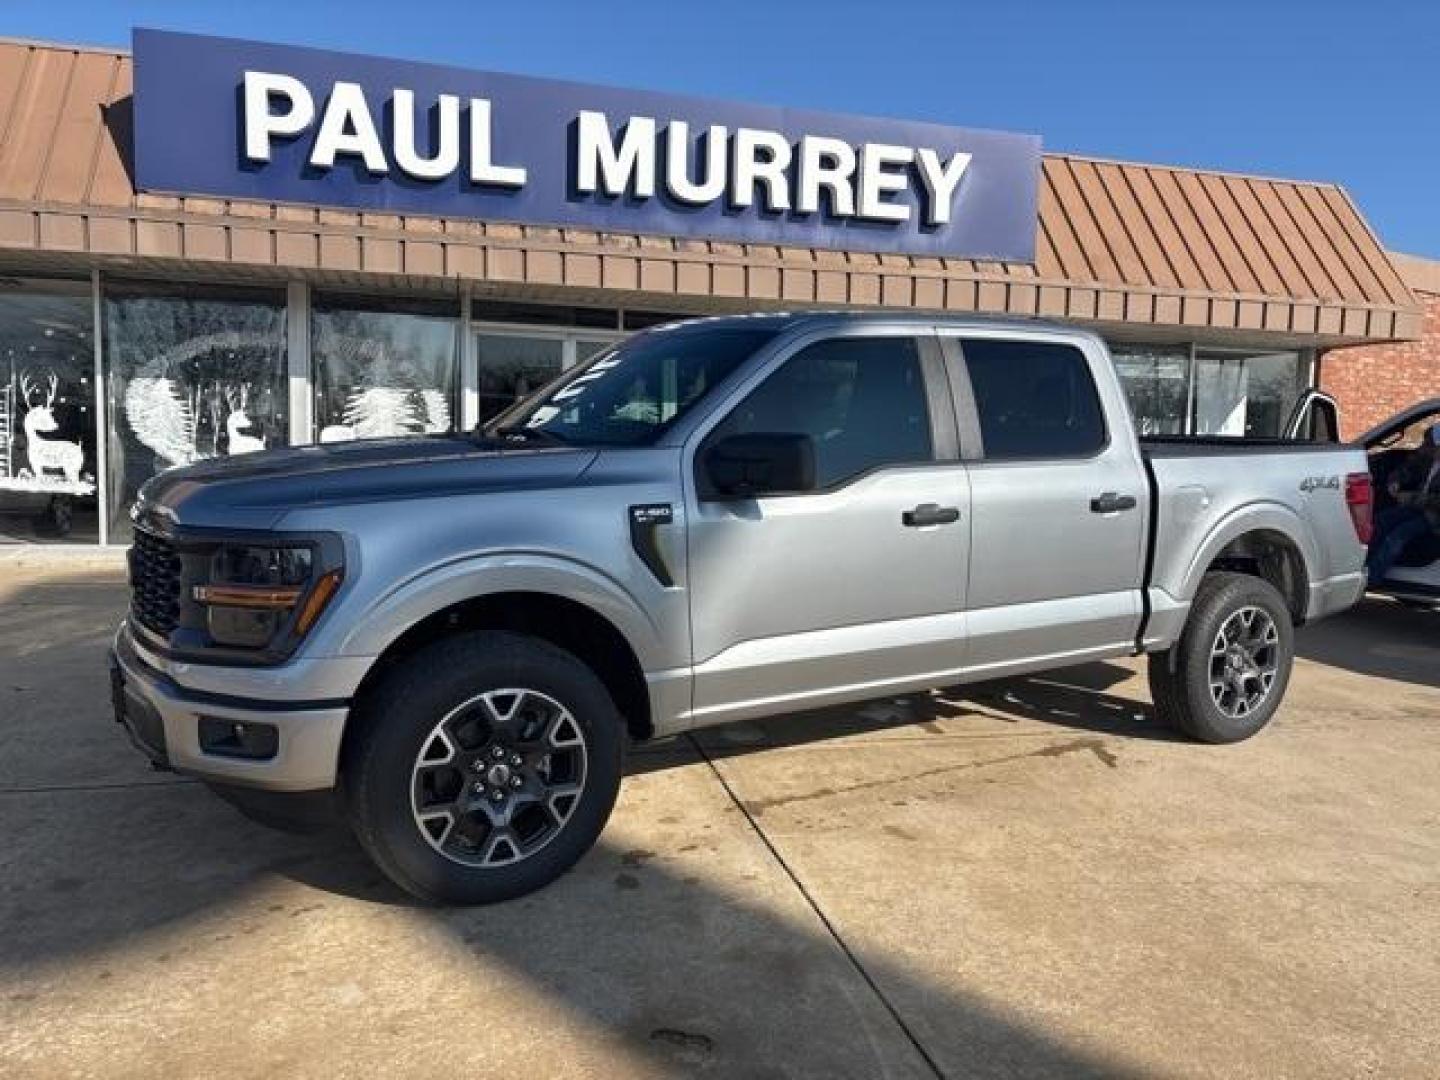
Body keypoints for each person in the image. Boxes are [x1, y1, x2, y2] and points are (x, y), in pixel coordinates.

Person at [1366, 423, 1440, 583]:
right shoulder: (1429, 457)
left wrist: (1410, 498)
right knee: (1381, 520)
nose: (1432, 449)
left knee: (1399, 535)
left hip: (1434, 517)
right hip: (1418, 508)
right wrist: (1396, 481)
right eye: (1433, 446)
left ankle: (1372, 577)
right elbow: (1411, 467)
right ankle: (1361, 564)